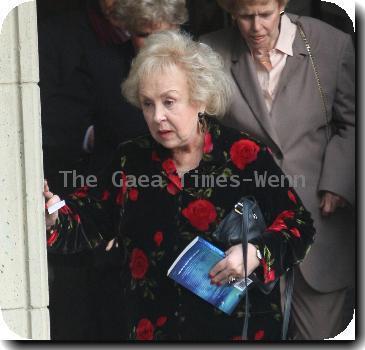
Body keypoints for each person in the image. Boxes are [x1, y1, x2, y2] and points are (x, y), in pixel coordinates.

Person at [44, 30, 315, 341]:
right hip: (156, 329)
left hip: (237, 331)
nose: (158, 116)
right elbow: (87, 222)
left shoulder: (244, 155)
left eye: (169, 102)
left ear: (199, 98)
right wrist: (54, 216)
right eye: (147, 104)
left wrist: (256, 253)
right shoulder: (131, 160)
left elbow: (299, 224)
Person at [200, 0, 355, 340]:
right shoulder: (210, 51)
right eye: (244, 17)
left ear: (283, 4)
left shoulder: (331, 44)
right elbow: (202, 134)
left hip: (319, 219)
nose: (256, 27)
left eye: (265, 15)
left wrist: (340, 180)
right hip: (246, 226)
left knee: (320, 332)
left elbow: (354, 123)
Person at [40, 0, 188, 340]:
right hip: (121, 224)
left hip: (187, 220)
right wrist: (95, 135)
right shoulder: (101, 66)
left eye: (162, 34)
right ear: (125, 30)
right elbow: (57, 130)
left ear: (179, 28)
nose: (153, 46)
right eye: (141, 35)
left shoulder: (198, 64)